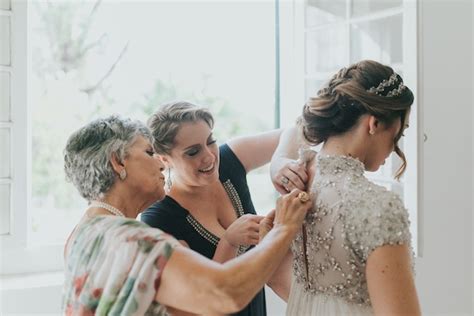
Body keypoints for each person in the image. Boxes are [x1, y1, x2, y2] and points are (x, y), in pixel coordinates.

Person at [62, 115, 312, 315]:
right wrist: (283, 229)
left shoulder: (82, 233)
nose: (160, 164)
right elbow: (223, 294)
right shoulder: (136, 240)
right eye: (149, 153)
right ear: (118, 162)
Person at [268, 60, 421, 315]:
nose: (396, 148)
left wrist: (276, 163)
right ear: (373, 124)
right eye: (399, 133)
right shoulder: (378, 207)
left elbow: (279, 280)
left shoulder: (299, 179)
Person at [141, 101, 292, 315]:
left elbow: (296, 132)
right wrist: (228, 242)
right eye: (193, 152)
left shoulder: (231, 160)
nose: (210, 156)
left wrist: (280, 162)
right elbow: (199, 299)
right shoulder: (158, 219)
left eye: (210, 141)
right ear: (164, 159)